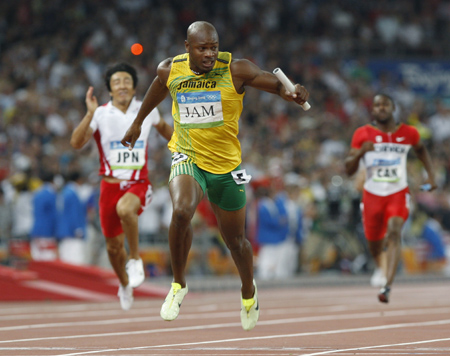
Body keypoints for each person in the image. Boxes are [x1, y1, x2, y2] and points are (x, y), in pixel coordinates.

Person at [121, 21, 309, 330]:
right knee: (181, 211)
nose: (209, 54)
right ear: (187, 48)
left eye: (213, 47)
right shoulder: (171, 69)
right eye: (202, 48)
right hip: (187, 155)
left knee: (235, 241)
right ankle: (178, 284)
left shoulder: (236, 69)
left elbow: (274, 83)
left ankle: (248, 291)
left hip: (226, 165)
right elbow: (158, 85)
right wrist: (139, 121)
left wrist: (293, 92)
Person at [70, 62, 173, 310]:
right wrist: (89, 113)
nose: (122, 85)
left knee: (126, 210)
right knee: (113, 248)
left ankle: (135, 258)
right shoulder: (101, 114)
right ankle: (125, 283)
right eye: (117, 82)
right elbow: (75, 143)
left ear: (134, 85)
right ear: (110, 89)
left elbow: (168, 132)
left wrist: (189, 147)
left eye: (126, 80)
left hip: (138, 183)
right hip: (109, 187)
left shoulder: (146, 109)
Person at [345, 93, 436, 303]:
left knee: (395, 231)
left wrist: (431, 177)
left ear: (393, 107)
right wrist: (360, 154)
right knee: (374, 243)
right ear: (373, 110)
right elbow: (349, 170)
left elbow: (421, 150)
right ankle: (380, 265)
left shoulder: (408, 133)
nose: (381, 108)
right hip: (371, 195)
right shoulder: (363, 133)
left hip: (397, 192)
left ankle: (387, 285)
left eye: (385, 104)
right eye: (377, 105)